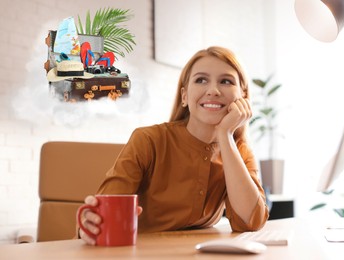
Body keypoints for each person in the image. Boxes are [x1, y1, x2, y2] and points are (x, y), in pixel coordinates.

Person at [78, 46, 269, 245]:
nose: (213, 90)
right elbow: (102, 214)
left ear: (243, 97)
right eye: (201, 80)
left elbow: (251, 222)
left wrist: (225, 135)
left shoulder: (238, 152)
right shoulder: (148, 140)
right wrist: (90, 224)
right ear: (185, 96)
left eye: (226, 81)